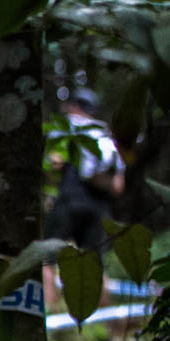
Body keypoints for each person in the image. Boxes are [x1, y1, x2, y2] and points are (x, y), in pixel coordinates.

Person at [46, 87, 122, 251]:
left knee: (48, 258)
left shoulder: (65, 128)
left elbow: (54, 164)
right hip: (98, 207)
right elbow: (118, 187)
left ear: (74, 106)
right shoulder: (105, 136)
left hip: (68, 200)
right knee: (92, 263)